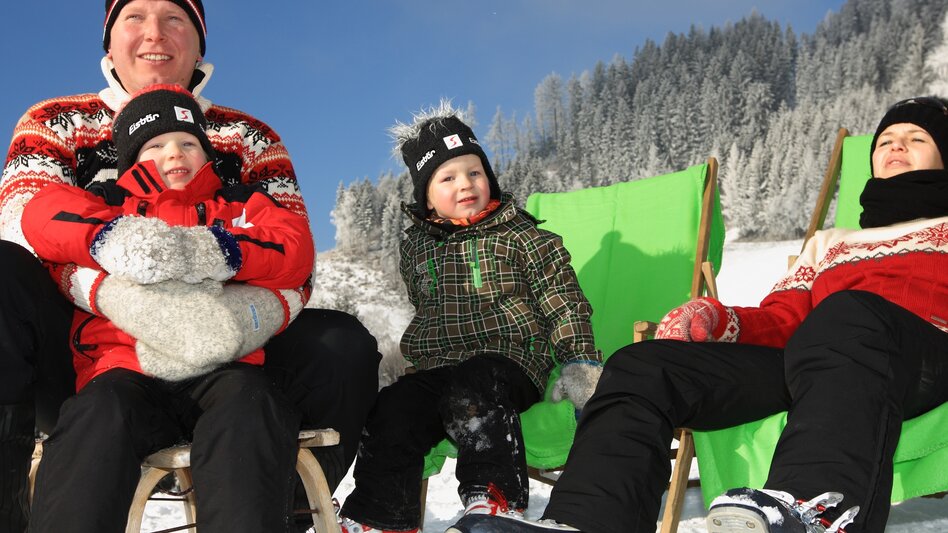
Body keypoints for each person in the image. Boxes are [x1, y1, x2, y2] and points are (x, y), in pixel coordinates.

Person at [449, 95, 948, 533]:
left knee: (848, 314)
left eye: (916, 136)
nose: (894, 145)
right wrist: (718, 319)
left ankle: (816, 510)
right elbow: (783, 318)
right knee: (642, 365)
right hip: (821, 360)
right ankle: (589, 519)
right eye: (885, 139)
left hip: (922, 356)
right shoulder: (831, 244)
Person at [0, 1, 380, 530]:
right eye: (134, 17)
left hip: (229, 347)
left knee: (342, 344)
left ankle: (279, 503)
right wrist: (122, 287)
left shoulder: (248, 136)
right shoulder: (55, 121)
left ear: (199, 43)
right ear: (109, 40)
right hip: (94, 346)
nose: (154, 33)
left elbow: (294, 251)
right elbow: (24, 225)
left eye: (175, 18)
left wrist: (222, 313)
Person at [20, 83, 312, 532]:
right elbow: (43, 215)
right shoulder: (108, 205)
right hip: (124, 367)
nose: (174, 153)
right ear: (130, 158)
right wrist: (113, 238)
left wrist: (217, 251)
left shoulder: (240, 207)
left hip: (224, 367)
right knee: (95, 417)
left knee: (253, 406)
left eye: (188, 142)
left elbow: (293, 248)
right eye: (155, 144)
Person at [335, 102, 603, 533]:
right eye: (448, 177)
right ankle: (379, 516)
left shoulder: (524, 237)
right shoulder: (417, 248)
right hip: (439, 366)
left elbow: (563, 301)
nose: (466, 184)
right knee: (394, 406)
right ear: (426, 196)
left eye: (475, 172)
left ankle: (493, 500)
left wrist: (579, 360)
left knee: (473, 386)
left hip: (509, 362)